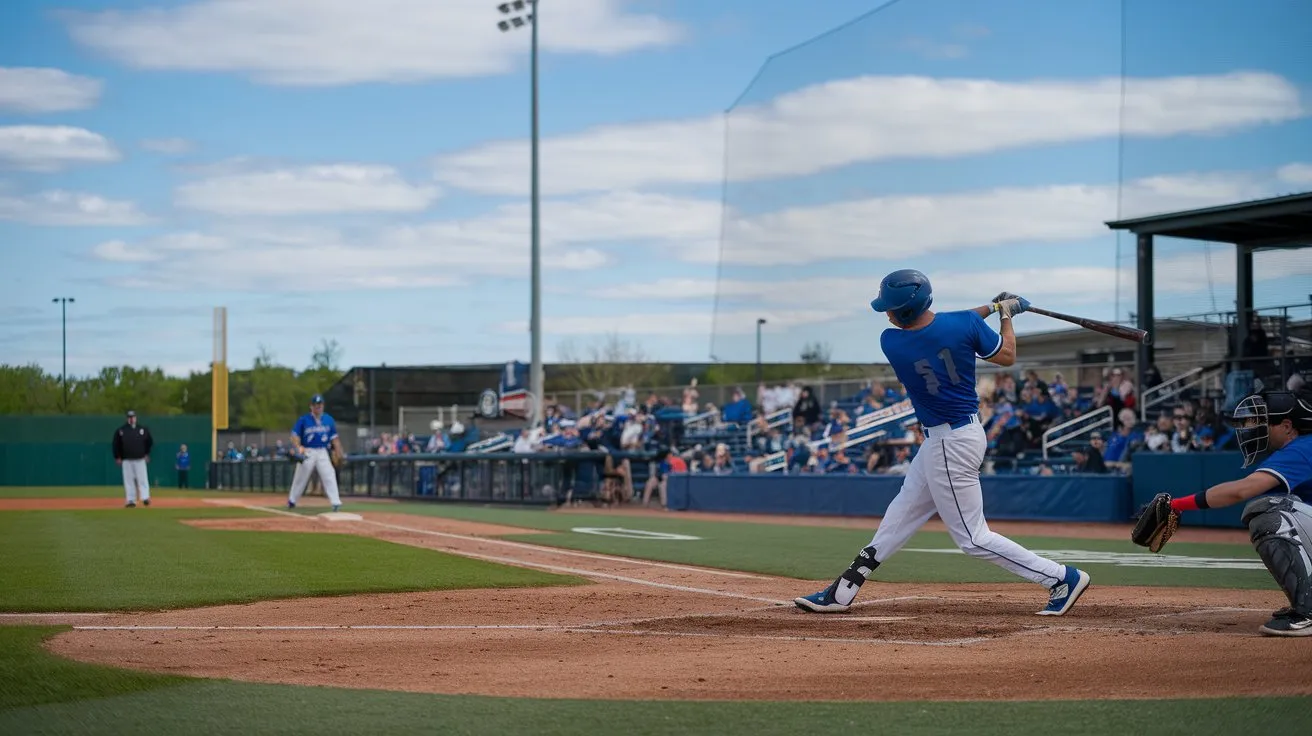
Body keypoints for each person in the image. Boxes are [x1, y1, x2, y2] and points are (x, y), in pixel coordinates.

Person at [795, 270, 1090, 617]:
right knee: (900, 514)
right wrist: (1005, 314)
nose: (886, 313)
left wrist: (995, 306)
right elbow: (1004, 353)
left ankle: (1061, 577)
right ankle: (843, 590)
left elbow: (953, 323)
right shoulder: (959, 327)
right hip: (952, 438)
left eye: (890, 308)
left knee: (973, 538)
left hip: (950, 444)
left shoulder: (892, 341)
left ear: (904, 310)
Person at [1152, 387, 1312, 636]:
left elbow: (1241, 491)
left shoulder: (1302, 448)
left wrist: (1176, 505)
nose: (1254, 427)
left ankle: (1308, 612)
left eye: (1263, 421)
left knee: (1268, 511)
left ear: (1288, 426)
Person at [287, 394, 345, 511]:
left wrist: (339, 452)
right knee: (301, 477)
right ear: (311, 406)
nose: (318, 407)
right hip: (308, 450)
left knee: (329, 474)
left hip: (322, 451)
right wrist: (298, 447)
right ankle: (292, 500)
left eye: (320, 404)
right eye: (315, 405)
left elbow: (335, 438)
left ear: (323, 405)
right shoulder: (304, 420)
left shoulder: (328, 419)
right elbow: (294, 435)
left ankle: (335, 502)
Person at [112, 410, 153, 508]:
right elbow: (116, 444)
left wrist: (146, 453)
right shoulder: (121, 430)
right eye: (129, 417)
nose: (131, 419)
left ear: (136, 418)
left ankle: (145, 497)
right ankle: (131, 500)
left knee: (142, 479)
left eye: (133, 417)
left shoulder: (142, 429)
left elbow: (149, 442)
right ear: (127, 418)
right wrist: (117, 456)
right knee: (129, 480)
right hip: (127, 459)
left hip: (140, 458)